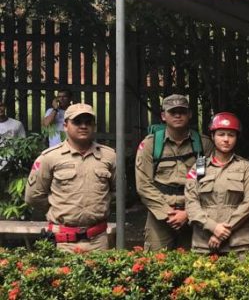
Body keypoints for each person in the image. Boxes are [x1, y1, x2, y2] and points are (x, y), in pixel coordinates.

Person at [25, 103, 116, 252]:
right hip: (63, 242)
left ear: (94, 126)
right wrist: (59, 208)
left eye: (88, 122)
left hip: (98, 241)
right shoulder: (49, 157)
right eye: (77, 122)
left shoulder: (109, 156)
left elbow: (118, 192)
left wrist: (97, 207)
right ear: (66, 125)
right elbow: (33, 196)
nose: (83, 126)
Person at [135, 94, 213, 250]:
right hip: (160, 213)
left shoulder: (203, 145)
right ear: (164, 116)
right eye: (172, 112)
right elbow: (143, 185)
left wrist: (188, 214)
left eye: (182, 111)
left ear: (190, 114)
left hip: (194, 212)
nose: (177, 115)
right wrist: (168, 213)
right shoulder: (150, 145)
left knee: (196, 264)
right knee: (156, 264)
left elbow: (208, 183)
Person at [184, 112, 249, 254]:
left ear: (236, 138)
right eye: (221, 134)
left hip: (237, 243)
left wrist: (223, 231)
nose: (226, 139)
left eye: (231, 135)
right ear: (212, 136)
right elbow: (191, 202)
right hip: (204, 243)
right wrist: (213, 227)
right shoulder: (199, 167)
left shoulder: (246, 167)